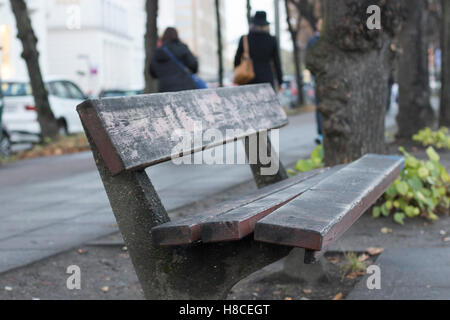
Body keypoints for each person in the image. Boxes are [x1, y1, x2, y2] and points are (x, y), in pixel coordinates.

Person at [234, 11, 283, 89]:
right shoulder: (272, 40)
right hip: (267, 79)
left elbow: (237, 59)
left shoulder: (245, 39)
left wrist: (239, 70)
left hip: (248, 78)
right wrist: (280, 81)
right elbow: (277, 62)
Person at [150, 27, 199, 93]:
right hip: (185, 88)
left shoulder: (158, 52)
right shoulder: (182, 48)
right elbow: (194, 66)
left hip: (165, 90)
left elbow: (152, 72)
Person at [306, 18, 323, 145]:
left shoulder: (330, 41)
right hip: (319, 78)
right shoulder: (313, 41)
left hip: (331, 79)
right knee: (319, 106)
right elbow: (309, 61)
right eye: (319, 23)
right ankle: (321, 133)